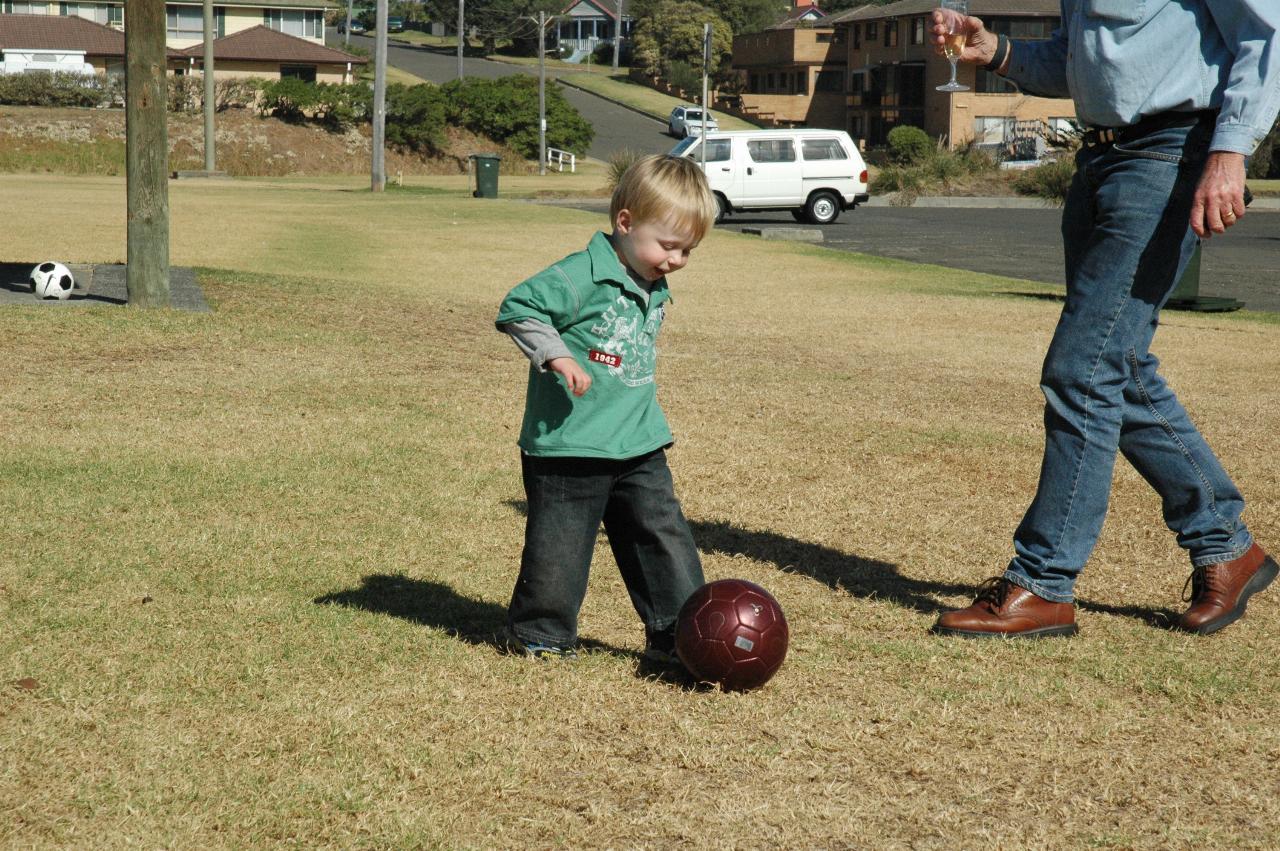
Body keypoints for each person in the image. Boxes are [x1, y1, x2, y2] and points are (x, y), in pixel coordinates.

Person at [929, 1, 1280, 638]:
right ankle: (1226, 545)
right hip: (1101, 161)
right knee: (1117, 367)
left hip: (1171, 157)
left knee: (1083, 372)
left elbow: (1268, 35)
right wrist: (999, 52)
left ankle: (1044, 581)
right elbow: (1089, 63)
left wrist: (1231, 152)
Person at [495, 155, 717, 661]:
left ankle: (679, 635)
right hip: (570, 444)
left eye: (687, 251)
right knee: (561, 546)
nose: (676, 261)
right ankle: (542, 634)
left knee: (663, 538)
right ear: (625, 223)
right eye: (668, 245)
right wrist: (556, 354)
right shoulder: (581, 274)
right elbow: (519, 307)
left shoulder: (649, 276)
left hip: (638, 440)